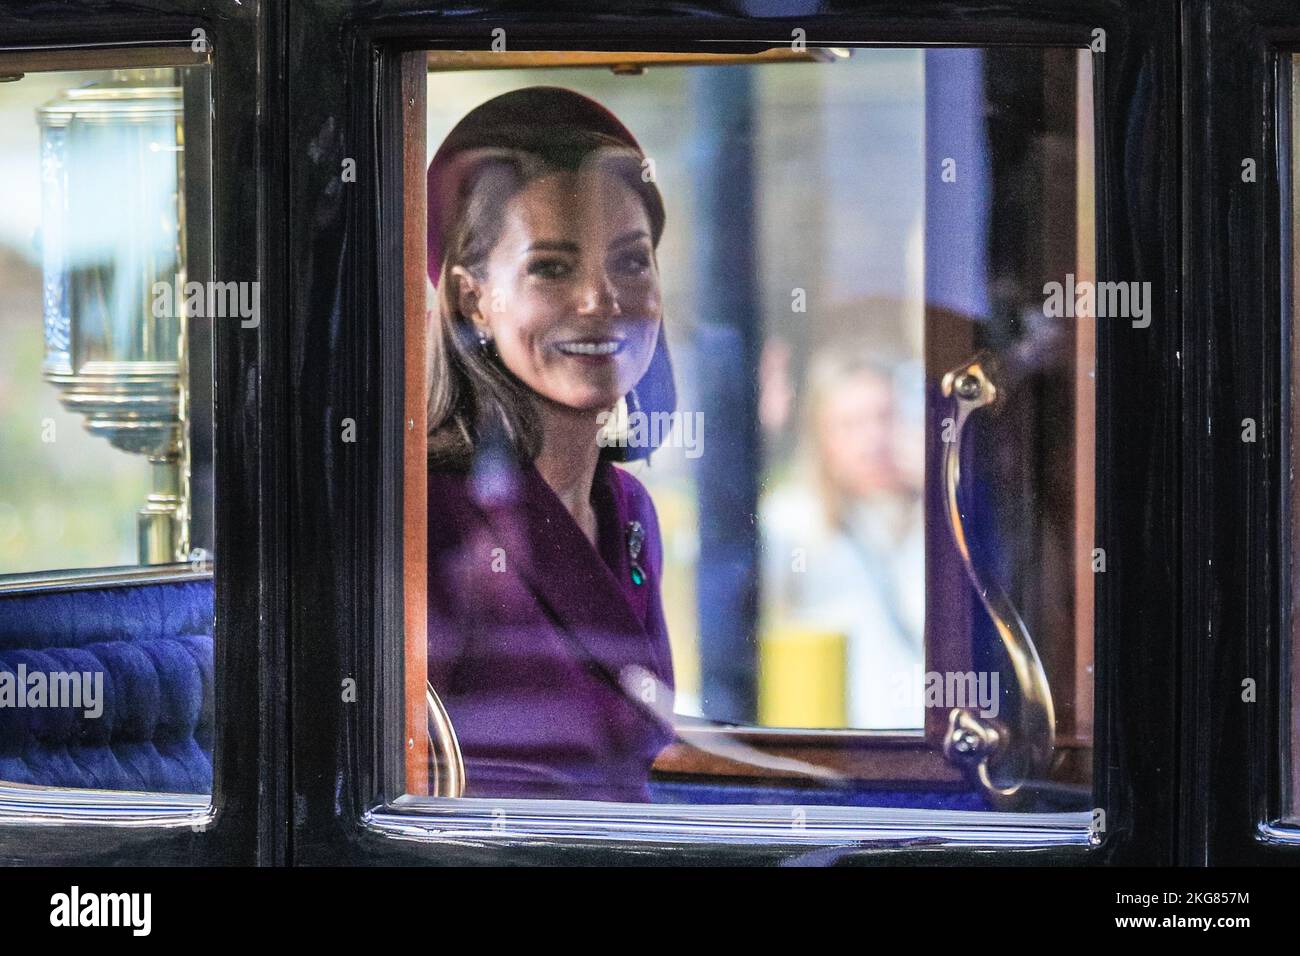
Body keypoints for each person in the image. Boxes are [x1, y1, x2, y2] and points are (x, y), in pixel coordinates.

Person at [424, 87, 676, 802]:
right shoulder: (426, 520)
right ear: (474, 298)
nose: (600, 300)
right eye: (552, 268)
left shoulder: (627, 511)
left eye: (630, 262)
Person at [761, 346, 925, 729]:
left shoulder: (937, 517)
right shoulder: (795, 520)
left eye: (884, 418)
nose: (873, 441)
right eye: (850, 425)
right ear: (821, 437)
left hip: (927, 746)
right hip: (849, 748)